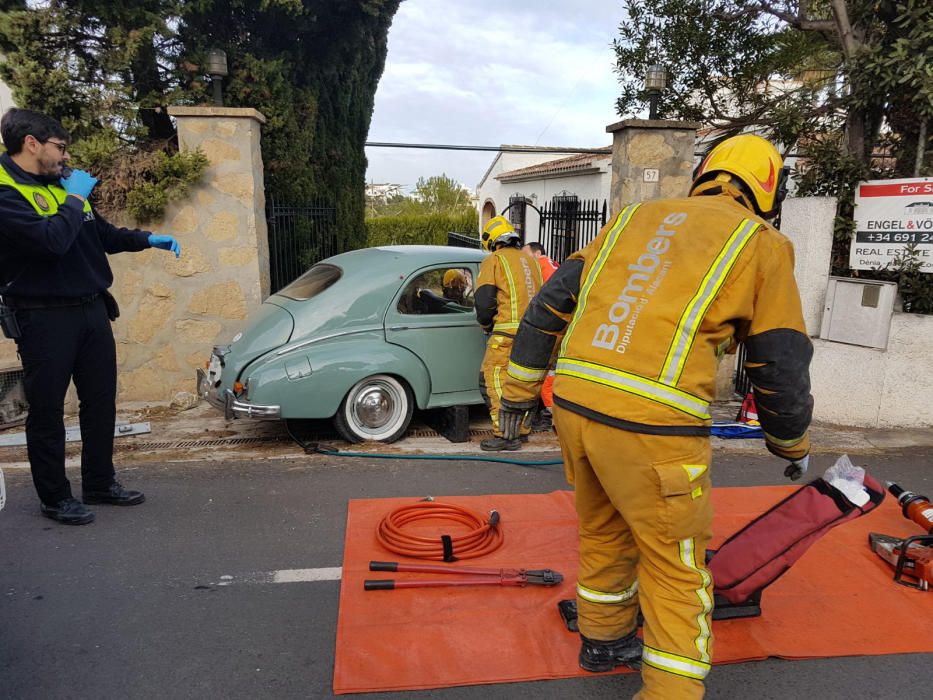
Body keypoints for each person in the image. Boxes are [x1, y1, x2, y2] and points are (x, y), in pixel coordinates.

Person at [497, 134, 812, 699]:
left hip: (574, 404)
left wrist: (519, 393)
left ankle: (604, 639)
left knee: (603, 530)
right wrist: (790, 443)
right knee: (675, 566)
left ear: (704, 173)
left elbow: (550, 304)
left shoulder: (633, 218)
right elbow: (778, 358)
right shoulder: (761, 242)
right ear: (769, 188)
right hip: (651, 426)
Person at [0, 108, 182, 526]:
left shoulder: (63, 187)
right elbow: (50, 243)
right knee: (47, 412)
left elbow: (97, 234)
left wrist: (145, 239)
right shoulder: (6, 191)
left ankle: (100, 482)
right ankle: (55, 497)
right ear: (32, 144)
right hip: (43, 317)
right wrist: (75, 197)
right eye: (59, 148)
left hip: (91, 308)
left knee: (100, 403)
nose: (66, 156)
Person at [475, 215, 543, 451]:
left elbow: (484, 304)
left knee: (493, 381)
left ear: (492, 241)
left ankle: (505, 435)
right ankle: (521, 431)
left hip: (506, 334)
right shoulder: (531, 261)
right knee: (522, 384)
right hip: (535, 335)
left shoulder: (494, 260)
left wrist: (486, 327)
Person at [522, 242, 559, 427]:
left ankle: (551, 415)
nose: (524, 260)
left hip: (548, 328)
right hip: (559, 327)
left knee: (544, 372)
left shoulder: (540, 269)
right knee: (552, 371)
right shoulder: (553, 265)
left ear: (537, 253)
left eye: (527, 255)